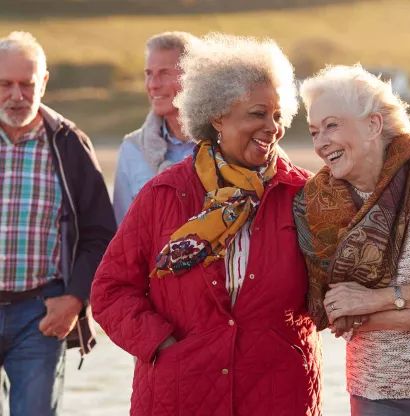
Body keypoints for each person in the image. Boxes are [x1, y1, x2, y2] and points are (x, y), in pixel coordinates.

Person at [92, 33, 322, 416]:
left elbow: (336, 290)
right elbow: (110, 290)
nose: (273, 127)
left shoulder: (304, 194)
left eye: (278, 115)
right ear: (216, 115)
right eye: (257, 113)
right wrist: (162, 344)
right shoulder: (163, 193)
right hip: (180, 391)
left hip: (278, 392)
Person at [0, 31, 116, 415]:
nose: (17, 95)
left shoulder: (68, 143)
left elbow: (100, 232)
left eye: (26, 84)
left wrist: (75, 298)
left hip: (41, 315)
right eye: (5, 84)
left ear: (43, 83)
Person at [293, 64, 410, 415]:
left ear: (373, 124)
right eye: (314, 131)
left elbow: (352, 309)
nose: (320, 142)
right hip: (372, 393)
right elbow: (334, 314)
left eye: (332, 125)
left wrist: (373, 300)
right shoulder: (316, 204)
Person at [113, 31, 198, 225]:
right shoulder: (132, 149)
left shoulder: (230, 145)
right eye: (149, 74)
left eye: (164, 73)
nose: (152, 85)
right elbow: (123, 234)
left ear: (194, 78)